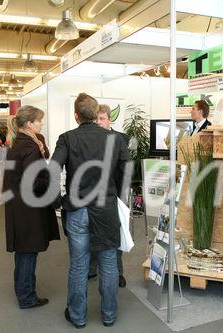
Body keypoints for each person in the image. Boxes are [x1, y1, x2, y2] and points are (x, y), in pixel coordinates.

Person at [51, 93, 131, 329]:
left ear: (76, 116)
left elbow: (52, 169)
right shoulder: (114, 139)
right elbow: (127, 170)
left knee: (79, 264)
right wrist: (116, 196)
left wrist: (58, 200)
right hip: (105, 208)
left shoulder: (67, 138)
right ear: (97, 116)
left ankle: (78, 316)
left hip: (77, 209)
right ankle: (109, 315)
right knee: (108, 262)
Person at [4, 106, 60, 309]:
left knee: (23, 253)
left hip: (19, 207)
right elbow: (34, 182)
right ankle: (27, 297)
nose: (41, 124)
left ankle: (23, 292)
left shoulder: (19, 143)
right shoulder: (30, 147)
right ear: (29, 124)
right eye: (39, 121)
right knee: (28, 253)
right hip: (28, 209)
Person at [90, 104, 130, 288]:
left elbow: (125, 169)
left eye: (102, 118)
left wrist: (121, 195)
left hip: (115, 194)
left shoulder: (121, 138)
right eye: (96, 119)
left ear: (110, 120)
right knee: (91, 231)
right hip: (92, 194)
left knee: (117, 232)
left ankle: (118, 272)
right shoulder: (88, 138)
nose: (98, 122)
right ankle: (92, 268)